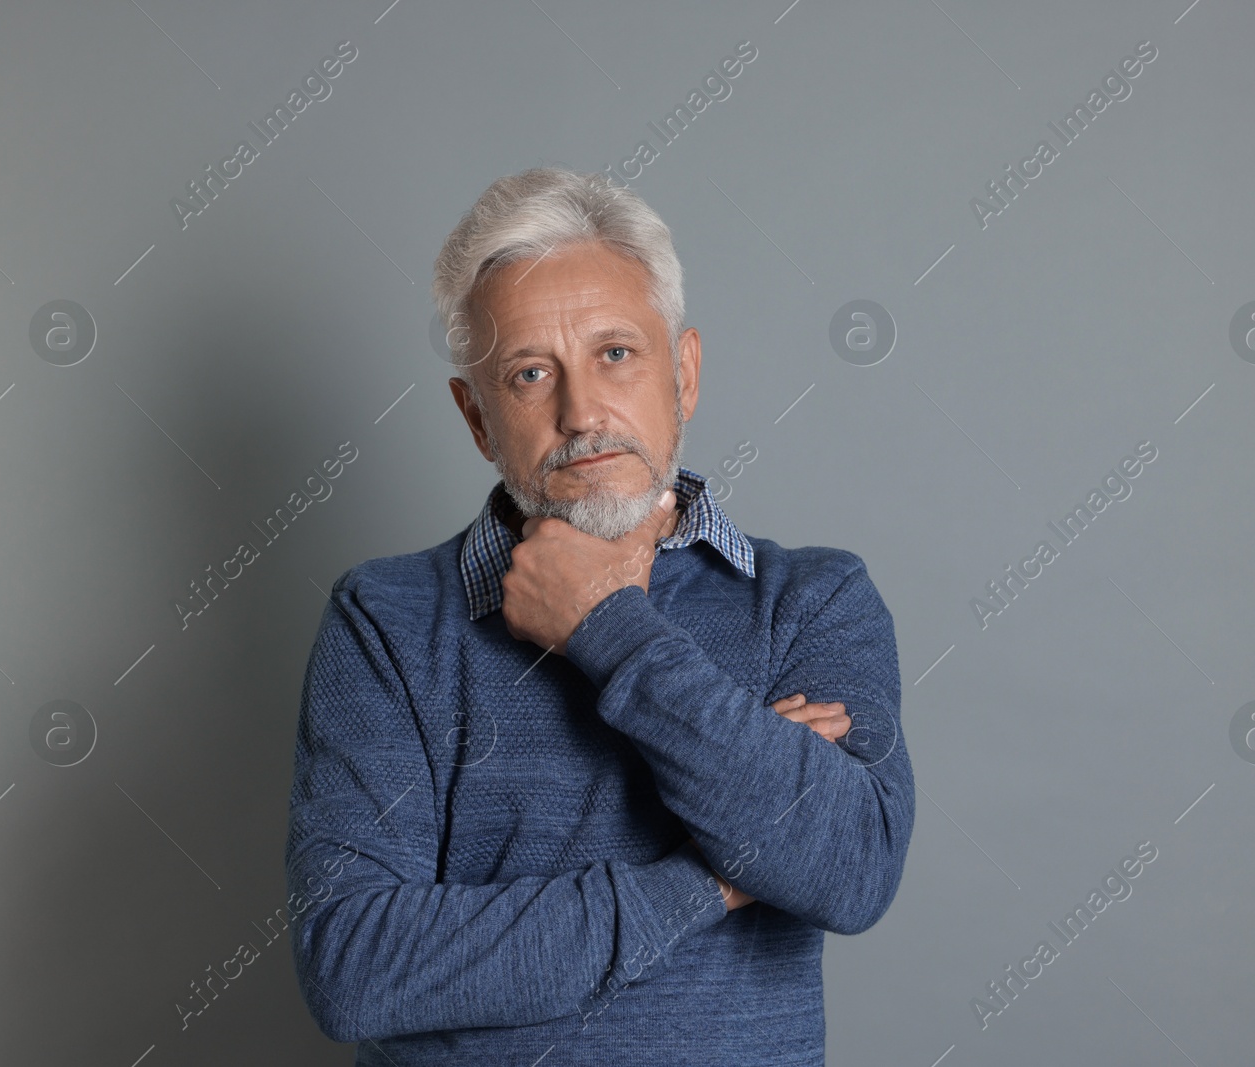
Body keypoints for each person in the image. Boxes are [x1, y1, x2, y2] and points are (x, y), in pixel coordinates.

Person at [285, 167, 915, 1066]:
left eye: (616, 353)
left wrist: (605, 623)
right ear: (476, 417)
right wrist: (706, 880)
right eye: (530, 372)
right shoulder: (386, 620)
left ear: (684, 372)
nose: (582, 413)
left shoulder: (811, 600)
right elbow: (354, 966)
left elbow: (849, 871)